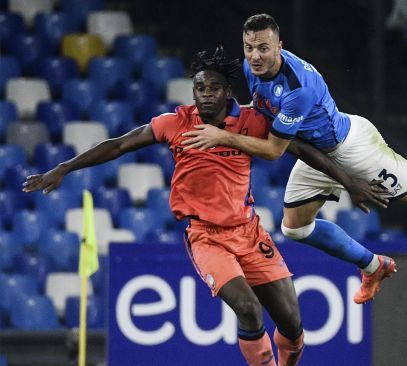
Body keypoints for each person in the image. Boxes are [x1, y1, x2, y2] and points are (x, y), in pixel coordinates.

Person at [22, 46, 386, 366]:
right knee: (247, 309)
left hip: (249, 231)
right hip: (206, 237)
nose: (206, 95)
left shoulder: (253, 122)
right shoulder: (176, 123)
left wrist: (349, 181)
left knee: (292, 324)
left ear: (228, 91)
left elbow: (300, 149)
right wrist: (64, 168)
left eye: (214, 88)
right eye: (200, 88)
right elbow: (118, 145)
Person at [181, 14, 407, 304]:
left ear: (280, 45)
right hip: (313, 151)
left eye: (263, 47)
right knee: (295, 228)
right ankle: (374, 266)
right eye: (249, 48)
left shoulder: (298, 90)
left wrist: (221, 135)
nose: (255, 56)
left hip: (351, 148)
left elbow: (276, 150)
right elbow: (274, 127)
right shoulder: (252, 68)